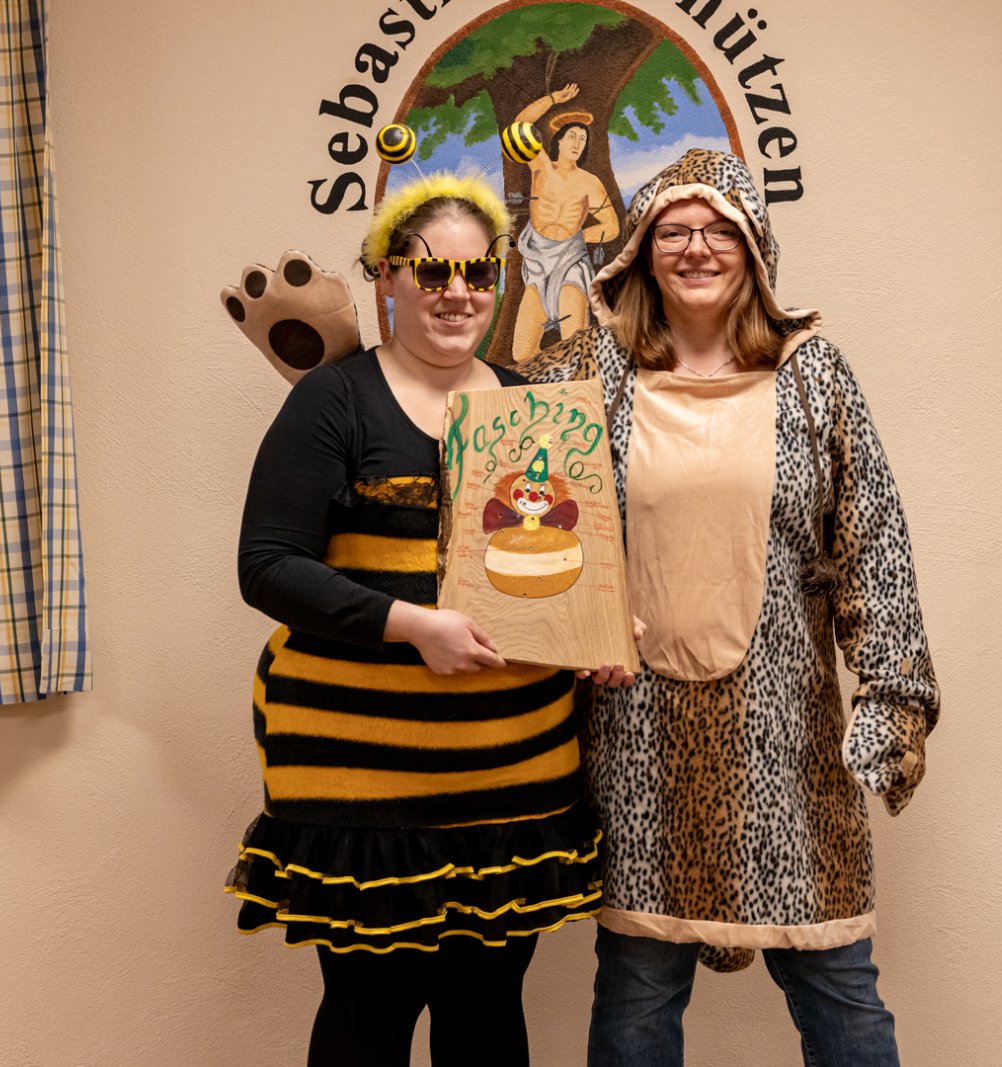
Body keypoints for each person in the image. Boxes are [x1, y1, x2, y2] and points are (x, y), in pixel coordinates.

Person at [520, 149, 941, 1066]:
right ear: (640, 248)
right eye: (674, 230)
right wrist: (571, 625)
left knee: (839, 986)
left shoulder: (813, 373)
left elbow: (873, 543)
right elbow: (507, 488)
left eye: (721, 230)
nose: (697, 248)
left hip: (785, 736)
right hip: (639, 738)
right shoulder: (585, 372)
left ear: (755, 247)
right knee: (636, 992)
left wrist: (893, 696)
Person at [224, 172, 631, 1067]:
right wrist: (411, 625)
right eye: (431, 270)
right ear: (387, 278)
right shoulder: (334, 400)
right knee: (366, 1019)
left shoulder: (530, 408)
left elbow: (556, 566)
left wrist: (597, 633)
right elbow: (268, 565)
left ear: (498, 281)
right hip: (367, 793)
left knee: (487, 1019)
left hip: (513, 784)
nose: (457, 292)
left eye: (477, 272)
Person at [510, 83, 619, 362]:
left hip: (570, 262)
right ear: (557, 141)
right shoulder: (541, 167)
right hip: (537, 262)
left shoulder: (590, 183)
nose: (577, 143)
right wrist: (552, 99)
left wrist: (580, 237)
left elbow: (611, 226)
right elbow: (520, 126)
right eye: (572, 136)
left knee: (574, 346)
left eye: (582, 139)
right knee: (522, 353)